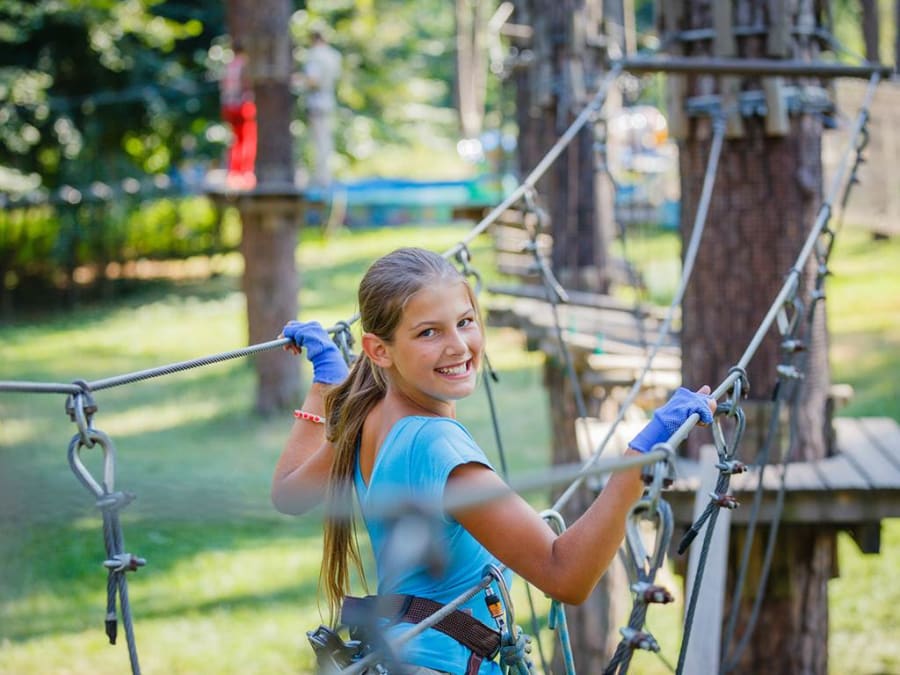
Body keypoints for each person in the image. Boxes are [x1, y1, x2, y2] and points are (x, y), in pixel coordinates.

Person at [271, 247, 716, 674]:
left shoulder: (370, 416)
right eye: (429, 332)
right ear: (378, 350)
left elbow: (290, 492)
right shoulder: (437, 447)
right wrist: (639, 458)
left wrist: (327, 384)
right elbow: (566, 575)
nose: (458, 346)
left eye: (465, 322)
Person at [298, 30, 342, 187]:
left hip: (316, 101)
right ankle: (325, 176)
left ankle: (321, 178)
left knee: (318, 141)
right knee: (325, 140)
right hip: (328, 100)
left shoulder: (315, 55)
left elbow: (313, 80)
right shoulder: (333, 55)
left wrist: (299, 81)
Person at [220, 42, 257, 190]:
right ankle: (245, 172)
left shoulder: (228, 66)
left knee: (234, 140)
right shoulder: (244, 66)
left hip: (230, 106)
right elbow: (247, 86)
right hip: (243, 106)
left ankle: (234, 171)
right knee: (247, 140)